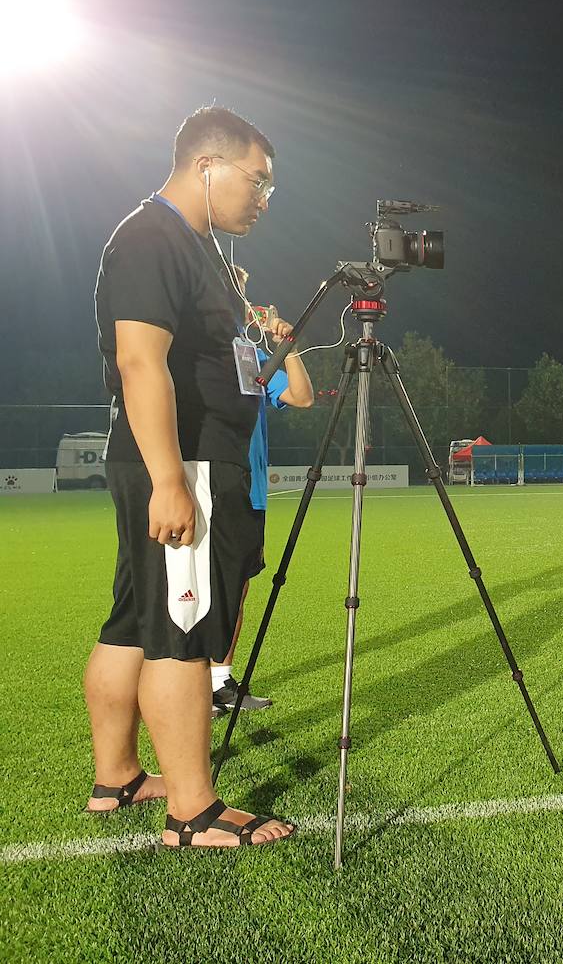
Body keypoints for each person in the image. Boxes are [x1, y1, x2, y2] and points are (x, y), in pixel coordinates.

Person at [86, 105, 295, 848]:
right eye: (257, 180)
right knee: (182, 631)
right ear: (208, 167)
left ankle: (116, 777)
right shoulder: (151, 237)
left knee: (131, 624)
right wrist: (171, 477)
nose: (264, 198)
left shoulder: (195, 243)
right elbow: (141, 359)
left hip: (183, 458)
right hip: (183, 460)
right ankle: (192, 810)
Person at [210, 267, 313, 716]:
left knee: (237, 587)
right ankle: (192, 682)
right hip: (210, 483)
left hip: (249, 489)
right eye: (234, 286)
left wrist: (286, 345)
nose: (242, 295)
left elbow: (303, 396)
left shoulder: (249, 354)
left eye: (243, 288)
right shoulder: (198, 348)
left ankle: (218, 682)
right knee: (198, 589)